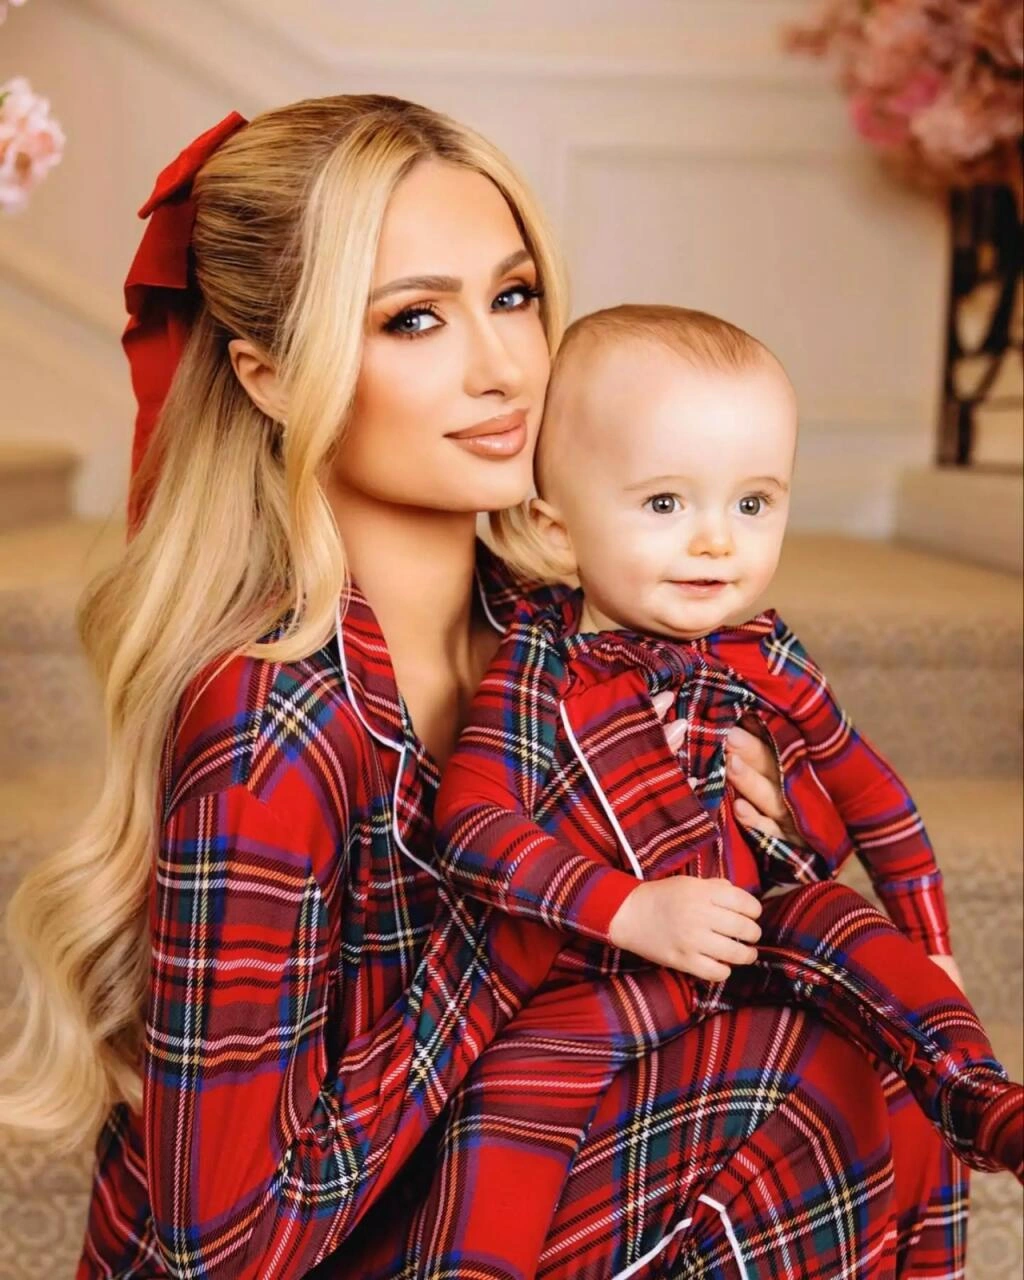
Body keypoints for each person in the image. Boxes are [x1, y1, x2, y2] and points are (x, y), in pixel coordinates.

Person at [0, 96, 973, 1279]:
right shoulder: (275, 730)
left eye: (513, 297)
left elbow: (728, 939)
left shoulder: (552, 628)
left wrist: (767, 816)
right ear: (270, 375)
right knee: (784, 1083)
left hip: (518, 1169)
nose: (503, 367)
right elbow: (225, 1249)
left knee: (865, 1058)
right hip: (334, 1250)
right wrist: (525, 908)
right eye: (414, 318)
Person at [419, 304, 1022, 1271]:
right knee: (503, 1115)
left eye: (753, 504)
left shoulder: (766, 656)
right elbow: (474, 823)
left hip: (753, 936)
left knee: (843, 924)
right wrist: (631, 910)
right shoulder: (542, 663)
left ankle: (982, 1099)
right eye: (665, 504)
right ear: (556, 529)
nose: (716, 543)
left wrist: (935, 947)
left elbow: (877, 801)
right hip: (599, 976)